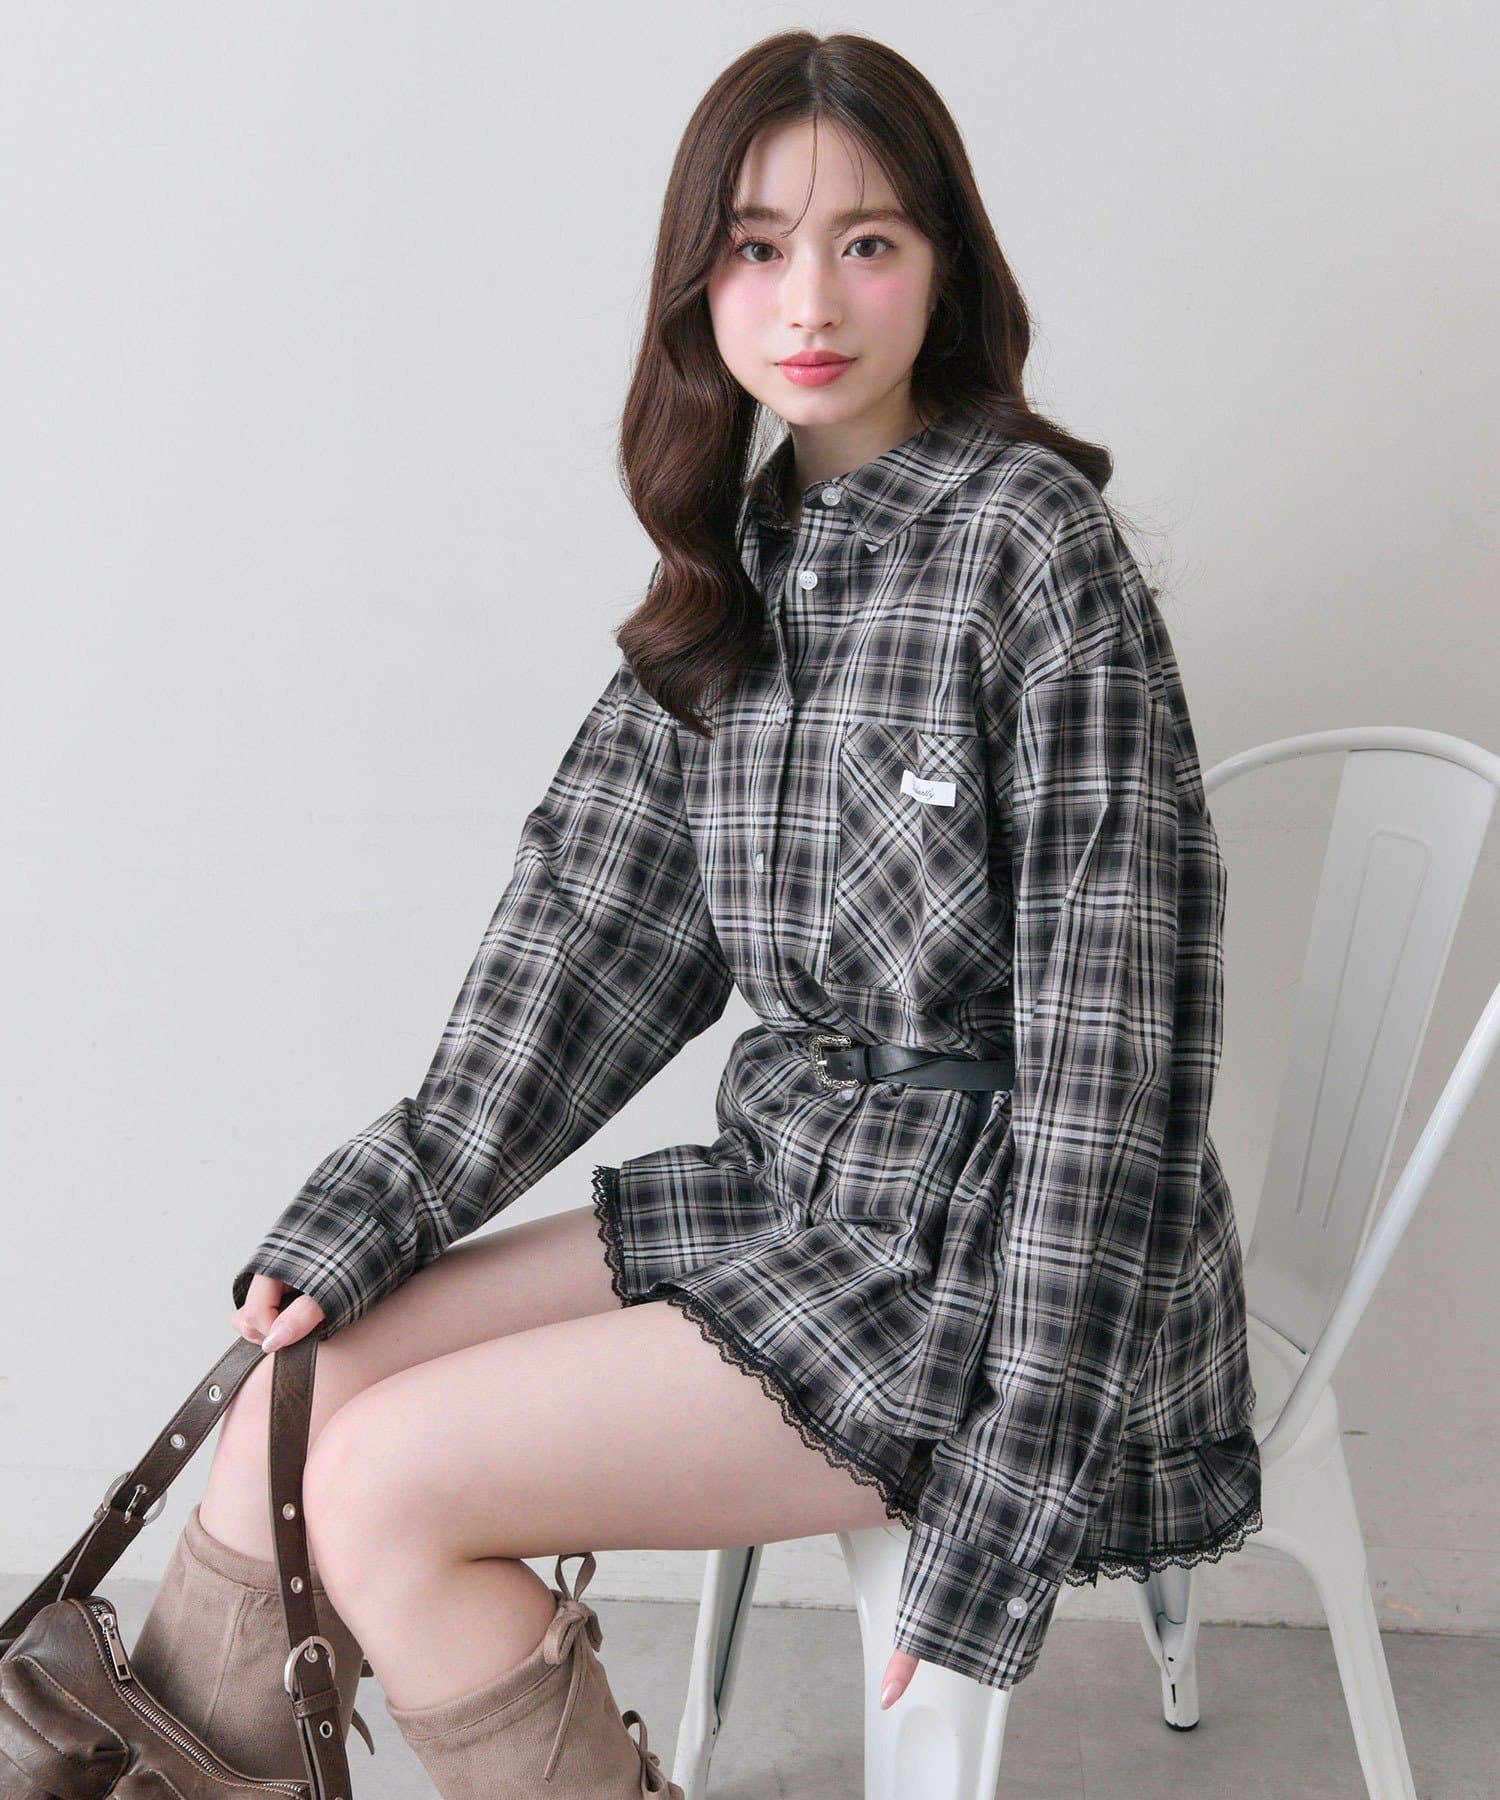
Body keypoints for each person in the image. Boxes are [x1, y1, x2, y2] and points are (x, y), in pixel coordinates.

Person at [129, 28, 1261, 1798]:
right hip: (795, 1191)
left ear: (945, 267)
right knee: (292, 1396)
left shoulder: (1031, 546)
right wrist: (386, 1204)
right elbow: (588, 939)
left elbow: (1118, 1063)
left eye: (868, 241)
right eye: (755, 246)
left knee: (383, 1489)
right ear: (695, 283)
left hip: (994, 1262)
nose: (810, 298)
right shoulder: (740, 559)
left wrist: (1014, 1488)